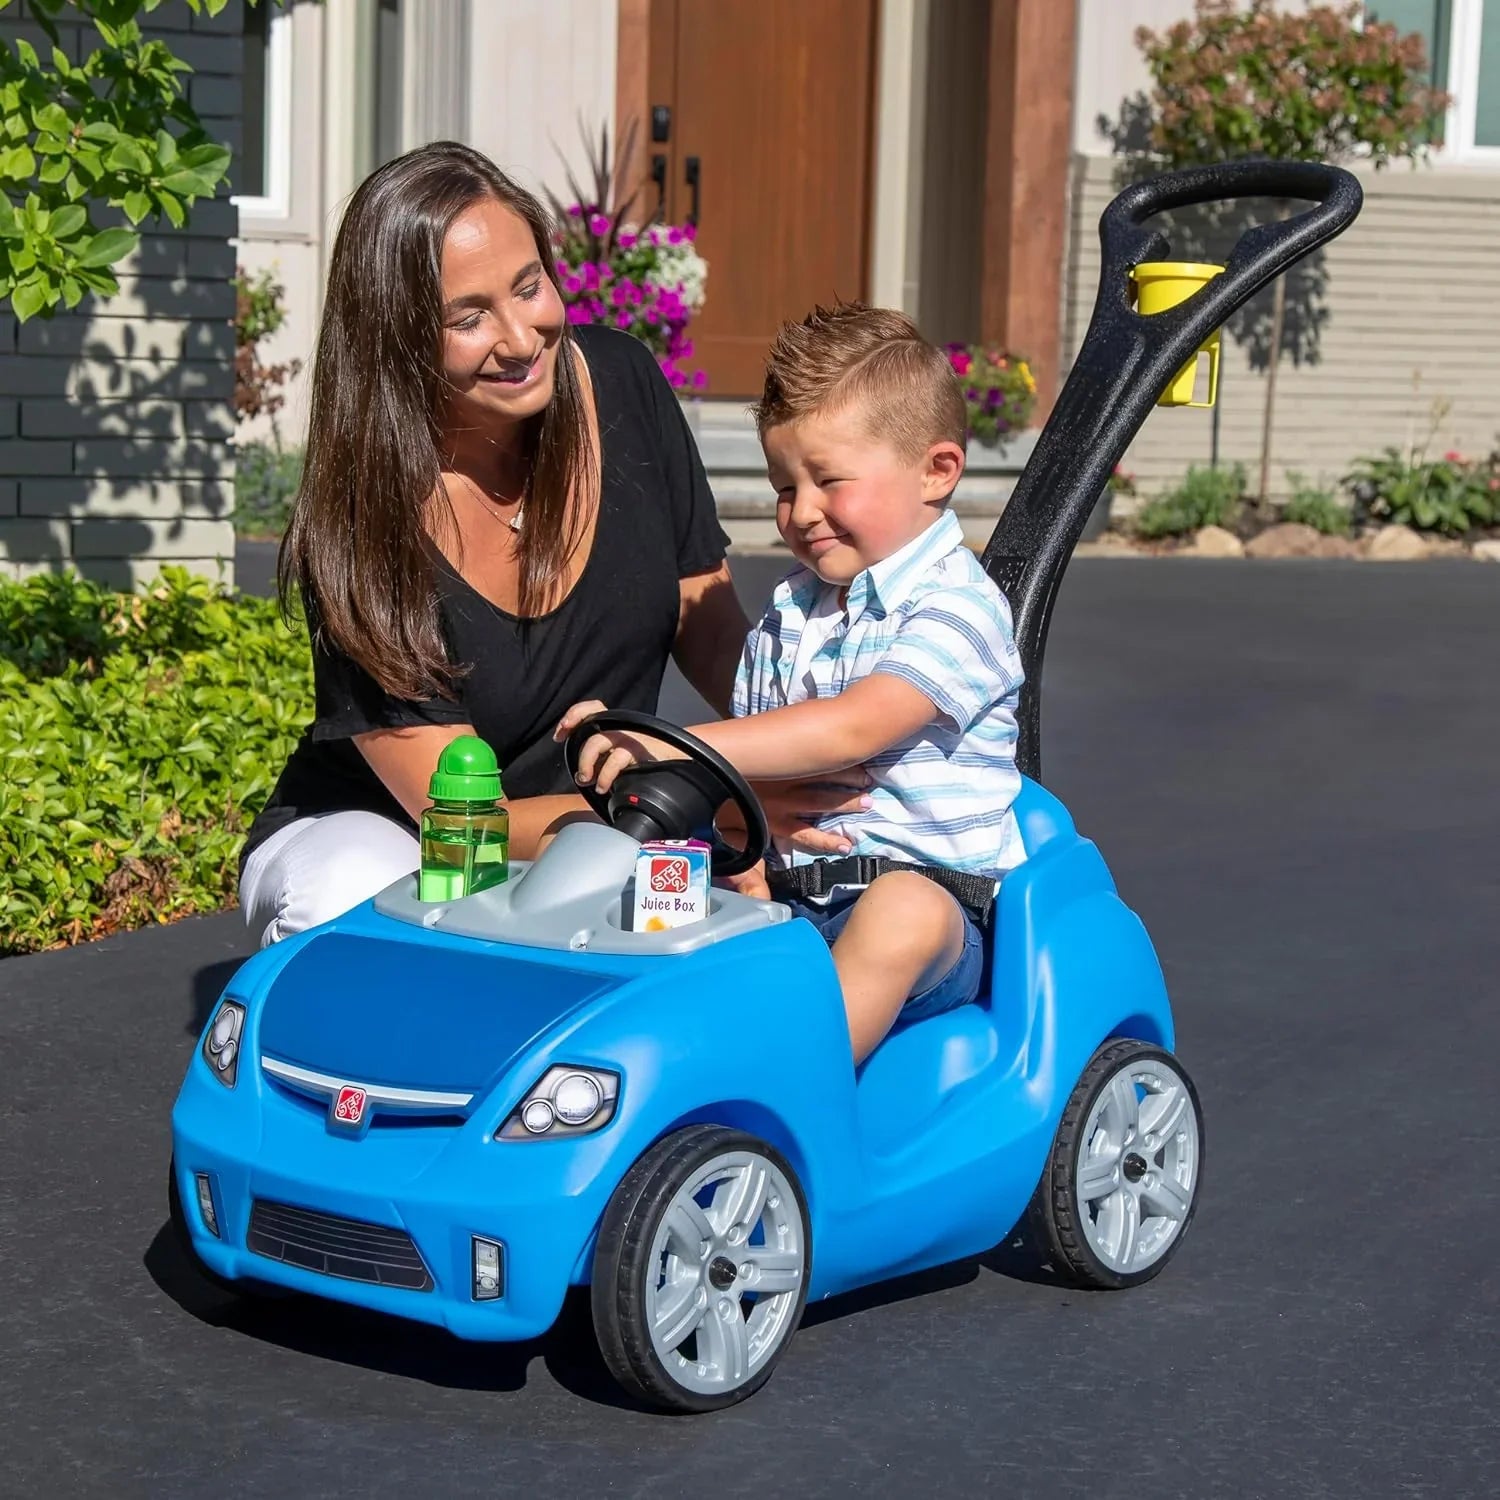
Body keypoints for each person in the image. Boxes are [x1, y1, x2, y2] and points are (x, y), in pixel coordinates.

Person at [239, 142, 865, 948]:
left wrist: (793, 768)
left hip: (609, 829)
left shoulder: (623, 384)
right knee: (359, 891)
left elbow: (709, 630)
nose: (521, 337)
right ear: (396, 343)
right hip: (413, 837)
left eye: (529, 286)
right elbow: (467, 821)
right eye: (468, 317)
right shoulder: (367, 527)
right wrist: (700, 799)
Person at [560, 303, 1026, 1063]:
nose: (801, 512)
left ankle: (792, 1089)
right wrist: (734, 838)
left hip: (935, 912)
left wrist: (663, 745)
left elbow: (855, 727)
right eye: (783, 487)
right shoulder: (792, 613)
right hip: (788, 894)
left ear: (937, 470)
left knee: (900, 912)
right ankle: (605, 1067)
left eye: (829, 481)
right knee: (638, 872)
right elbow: (764, 772)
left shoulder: (959, 606)